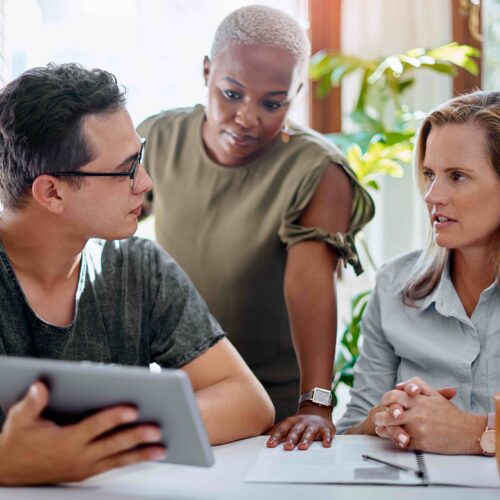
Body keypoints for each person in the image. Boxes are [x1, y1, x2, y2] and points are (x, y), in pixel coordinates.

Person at [0, 63, 275, 486]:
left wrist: (93, 443)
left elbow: (248, 402)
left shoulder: (139, 269)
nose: (145, 182)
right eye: (126, 168)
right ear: (52, 192)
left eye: (140, 156)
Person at [138, 4, 374, 450]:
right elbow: (100, 234)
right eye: (232, 93)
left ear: (297, 91)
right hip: (179, 396)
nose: (248, 117)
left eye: (272, 103)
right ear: (207, 72)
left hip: (273, 408)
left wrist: (315, 405)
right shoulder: (159, 137)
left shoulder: (318, 171)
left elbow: (309, 286)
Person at [337, 90, 500, 455]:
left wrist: (473, 432)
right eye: (429, 174)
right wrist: (386, 419)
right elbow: (351, 433)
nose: (431, 195)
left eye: (457, 176)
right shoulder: (394, 285)